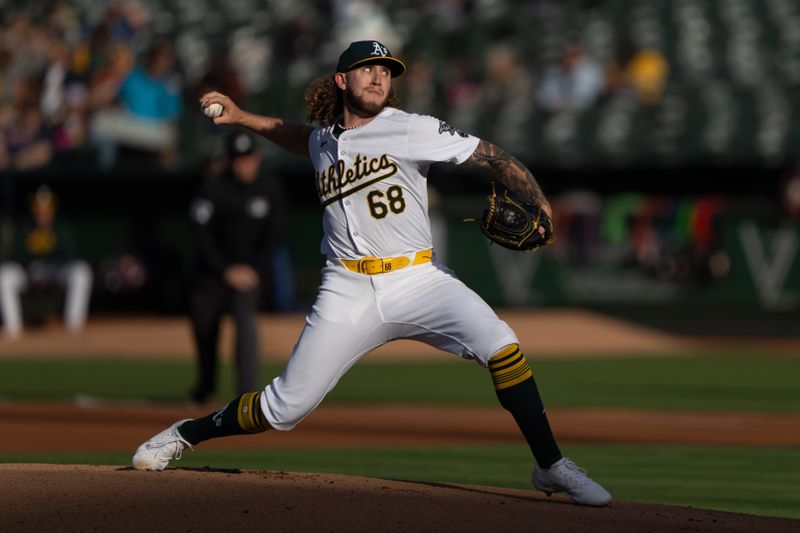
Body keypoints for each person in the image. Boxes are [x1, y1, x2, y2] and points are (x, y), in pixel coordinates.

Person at [132, 40, 611, 506]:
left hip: (419, 279)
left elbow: (492, 156)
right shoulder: (323, 138)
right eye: (368, 68)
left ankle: (550, 465)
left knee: (502, 345)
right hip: (347, 286)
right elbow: (299, 136)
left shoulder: (410, 128)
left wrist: (540, 201)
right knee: (283, 409)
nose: (380, 76)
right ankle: (184, 434)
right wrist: (240, 116)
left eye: (387, 70)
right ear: (342, 80)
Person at [188, 130, 286, 404]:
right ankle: (204, 388)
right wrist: (224, 271)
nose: (245, 164)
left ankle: (246, 394)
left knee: (245, 323)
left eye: (249, 158)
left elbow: (274, 235)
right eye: (239, 159)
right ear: (230, 161)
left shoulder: (268, 187)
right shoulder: (214, 188)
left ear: (257, 158)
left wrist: (252, 270)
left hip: (250, 272)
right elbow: (200, 235)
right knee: (205, 327)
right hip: (213, 273)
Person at [0, 185, 92, 339]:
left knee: (81, 271)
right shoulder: (24, 227)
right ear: (33, 210)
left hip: (54, 271)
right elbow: (14, 256)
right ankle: (12, 329)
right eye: (39, 209)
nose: (43, 213)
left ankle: (74, 326)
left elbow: (70, 255)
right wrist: (30, 269)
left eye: (46, 209)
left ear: (52, 209)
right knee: (4, 275)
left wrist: (48, 267)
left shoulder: (61, 227)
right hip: (28, 271)